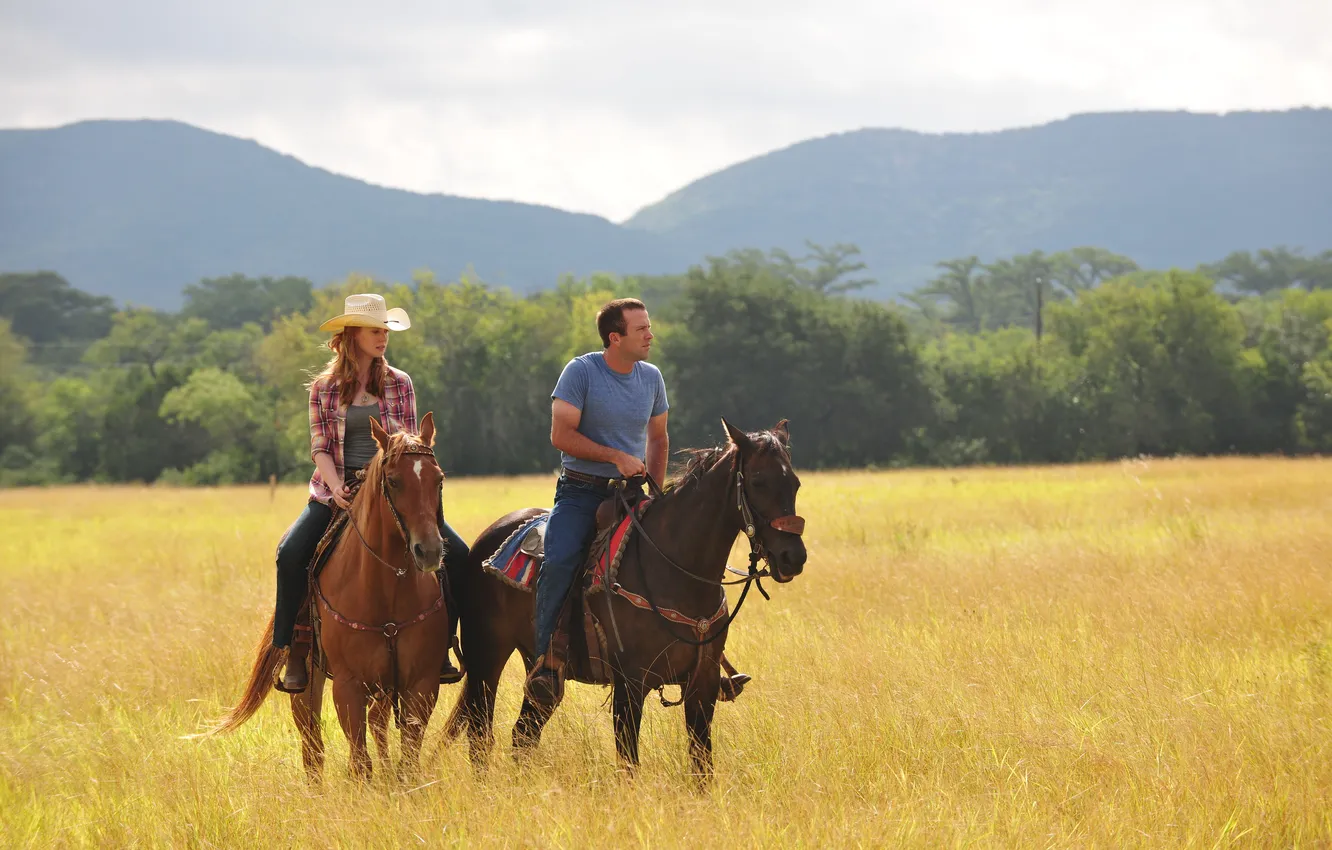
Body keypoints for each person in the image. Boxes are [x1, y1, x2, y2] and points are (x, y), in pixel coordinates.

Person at [272, 293, 469, 692]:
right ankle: (293, 649)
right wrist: (335, 486)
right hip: (338, 490)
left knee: (461, 557)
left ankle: (445, 643)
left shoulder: (400, 382)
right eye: (375, 330)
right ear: (352, 334)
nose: (383, 337)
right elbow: (319, 446)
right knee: (291, 553)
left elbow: (413, 442)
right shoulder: (324, 388)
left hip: (396, 491)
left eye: (385, 331)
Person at [523, 298, 670, 709]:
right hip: (580, 491)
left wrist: (653, 493)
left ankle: (702, 656)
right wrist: (615, 456)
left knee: (673, 556)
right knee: (561, 560)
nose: (650, 335)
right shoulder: (581, 371)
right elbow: (561, 435)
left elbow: (658, 438)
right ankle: (546, 663)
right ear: (615, 337)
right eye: (641, 329)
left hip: (631, 495)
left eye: (649, 326)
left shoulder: (651, 377)